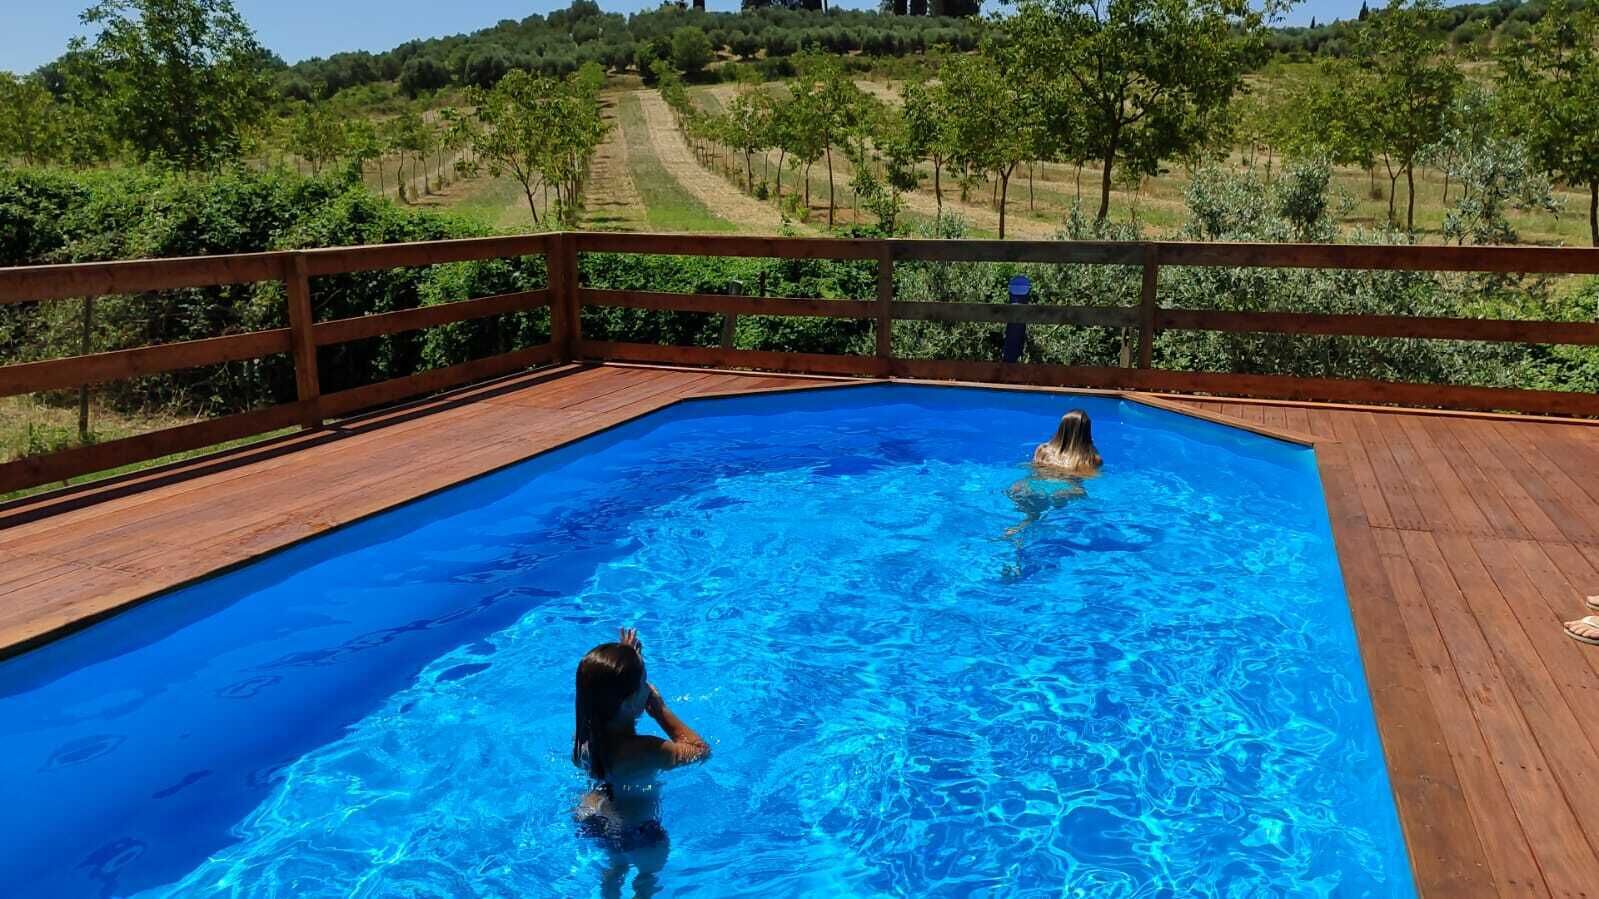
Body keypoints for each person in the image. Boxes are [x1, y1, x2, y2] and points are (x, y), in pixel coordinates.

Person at [573, 628, 710, 899]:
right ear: (628, 703)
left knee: (615, 867)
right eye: (644, 684)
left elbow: (601, 689)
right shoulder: (647, 750)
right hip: (639, 833)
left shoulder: (583, 740)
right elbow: (701, 751)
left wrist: (627, 657)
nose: (649, 688)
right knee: (646, 880)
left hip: (592, 817)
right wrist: (660, 710)